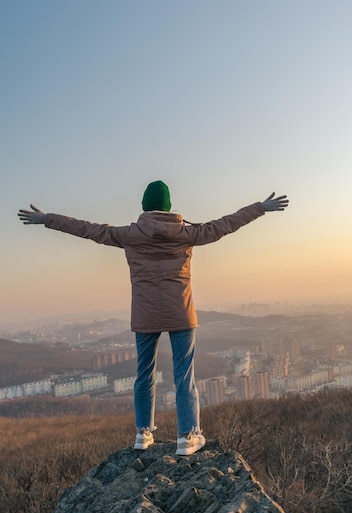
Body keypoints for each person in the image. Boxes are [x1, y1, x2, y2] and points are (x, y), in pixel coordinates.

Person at [18, 181, 289, 455]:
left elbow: (87, 229)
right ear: (169, 206)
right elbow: (226, 224)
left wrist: (47, 219)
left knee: (144, 374)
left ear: (145, 206)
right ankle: (187, 436)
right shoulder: (187, 233)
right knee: (184, 376)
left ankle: (143, 434)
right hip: (181, 313)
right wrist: (260, 208)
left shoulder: (128, 235)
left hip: (145, 314)